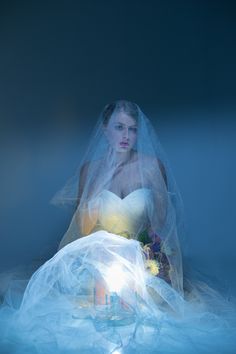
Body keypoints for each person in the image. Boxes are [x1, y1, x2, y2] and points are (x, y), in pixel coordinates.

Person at [0, 100, 235, 354]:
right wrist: (100, 180)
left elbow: (159, 224)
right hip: (100, 258)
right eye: (119, 127)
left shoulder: (152, 166)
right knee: (89, 307)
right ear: (105, 129)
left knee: (146, 308)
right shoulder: (91, 169)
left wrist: (151, 257)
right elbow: (84, 227)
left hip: (138, 256)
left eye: (132, 129)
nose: (126, 136)